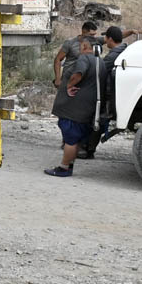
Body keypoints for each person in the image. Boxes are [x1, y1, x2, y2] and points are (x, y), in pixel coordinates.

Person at [78, 25, 140, 159]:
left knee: (97, 120)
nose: (105, 40)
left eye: (106, 37)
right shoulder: (124, 49)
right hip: (115, 94)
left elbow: (99, 70)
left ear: (110, 39)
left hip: (109, 95)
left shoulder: (113, 56)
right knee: (99, 120)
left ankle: (86, 149)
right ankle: (87, 148)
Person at [45, 37, 99, 178]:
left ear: (85, 45)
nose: (79, 48)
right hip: (87, 108)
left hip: (75, 110)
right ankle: (69, 165)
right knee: (75, 140)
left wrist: (69, 86)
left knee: (70, 139)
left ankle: (63, 168)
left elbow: (78, 74)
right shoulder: (99, 61)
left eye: (81, 45)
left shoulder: (84, 59)